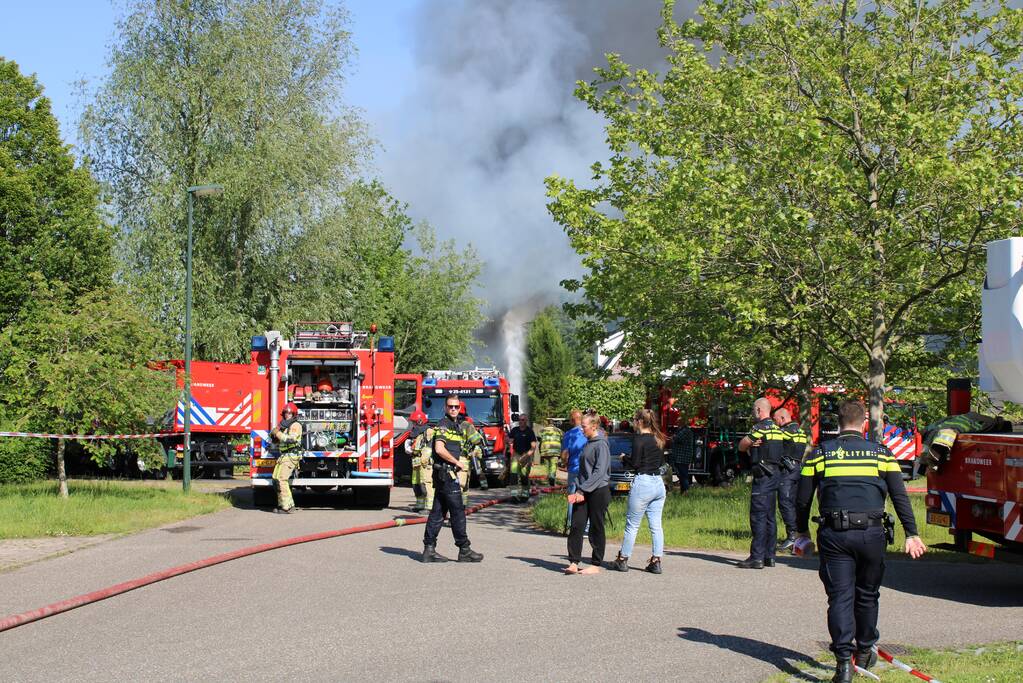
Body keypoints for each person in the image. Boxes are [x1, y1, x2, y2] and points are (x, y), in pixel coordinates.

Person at [795, 400, 926, 683]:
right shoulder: (882, 454)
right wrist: (912, 534)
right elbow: (899, 496)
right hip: (871, 534)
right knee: (867, 594)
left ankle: (844, 663)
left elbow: (802, 499)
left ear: (837, 423)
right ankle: (864, 650)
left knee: (840, 597)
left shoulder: (820, 454)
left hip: (835, 535)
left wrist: (801, 533)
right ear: (864, 421)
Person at [421, 396, 484, 563]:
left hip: (444, 474)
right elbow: (439, 449)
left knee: (438, 512)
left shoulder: (456, 425)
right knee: (457, 513)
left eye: (456, 406)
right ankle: (464, 549)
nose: (454, 409)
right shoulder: (443, 424)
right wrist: (457, 462)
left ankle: (429, 549)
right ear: (445, 408)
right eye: (450, 406)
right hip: (447, 474)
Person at [611, 409, 667, 574]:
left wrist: (624, 458)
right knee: (656, 525)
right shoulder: (658, 439)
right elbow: (660, 462)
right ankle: (656, 561)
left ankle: (623, 559)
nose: (633, 423)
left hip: (643, 483)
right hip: (658, 483)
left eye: (634, 420)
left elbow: (635, 464)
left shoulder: (638, 440)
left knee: (632, 525)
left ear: (639, 422)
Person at [736, 397, 787, 568]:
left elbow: (742, 445)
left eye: (753, 410)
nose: (753, 413)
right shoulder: (778, 430)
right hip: (775, 477)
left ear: (759, 410)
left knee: (758, 516)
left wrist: (750, 446)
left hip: (762, 477)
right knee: (770, 517)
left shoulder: (760, 428)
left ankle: (756, 557)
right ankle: (769, 556)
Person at [565, 413, 611, 575]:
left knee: (596, 527)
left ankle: (595, 564)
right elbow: (583, 470)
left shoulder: (601, 445)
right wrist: (577, 488)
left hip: (598, 491)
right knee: (577, 525)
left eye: (583, 426)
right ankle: (573, 562)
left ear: (594, 426)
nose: (581, 429)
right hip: (582, 490)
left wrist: (583, 489)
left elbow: (599, 473)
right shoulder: (587, 443)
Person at [774, 407, 809, 552]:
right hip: (797, 470)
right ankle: (799, 538)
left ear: (782, 418)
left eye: (775, 420)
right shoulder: (800, 431)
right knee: (794, 503)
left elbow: (769, 441)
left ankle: (792, 536)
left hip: (787, 472)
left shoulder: (785, 431)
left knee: (785, 502)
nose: (775, 423)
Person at [271, 402, 303, 514]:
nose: (287, 414)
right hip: (284, 455)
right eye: (285, 412)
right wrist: (274, 436)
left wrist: (278, 434)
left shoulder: (295, 425)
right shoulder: (284, 425)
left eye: (290, 413)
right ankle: (282, 504)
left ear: (294, 414)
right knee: (275, 479)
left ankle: (287, 507)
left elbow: (291, 439)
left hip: (291, 455)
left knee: (282, 480)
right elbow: (279, 439)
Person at [561, 409, 587, 533]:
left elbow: (565, 454)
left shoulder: (569, 434)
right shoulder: (589, 432)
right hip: (587, 470)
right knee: (586, 497)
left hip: (574, 469)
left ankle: (572, 526)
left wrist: (564, 462)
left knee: (572, 497)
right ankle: (586, 527)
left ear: (572, 420)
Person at [407, 411, 434, 512]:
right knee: (416, 484)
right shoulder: (416, 432)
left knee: (426, 483)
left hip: (425, 463)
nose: (412, 425)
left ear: (419, 421)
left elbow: (430, 446)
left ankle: (429, 507)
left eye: (414, 422)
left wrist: (425, 457)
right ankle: (420, 505)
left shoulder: (429, 431)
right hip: (416, 462)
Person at [508, 413, 538, 501]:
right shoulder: (514, 430)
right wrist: (508, 441)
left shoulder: (529, 432)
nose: (520, 422)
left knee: (524, 476)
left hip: (526, 454)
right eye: (519, 420)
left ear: (526, 421)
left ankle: (525, 495)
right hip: (516, 454)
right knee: (513, 474)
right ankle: (514, 496)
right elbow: (510, 440)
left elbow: (533, 446)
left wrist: (526, 456)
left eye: (523, 420)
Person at [668, 417, 696, 494]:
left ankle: (686, 492)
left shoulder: (685, 431)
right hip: (680, 457)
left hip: (682, 457)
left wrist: (672, 438)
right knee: (681, 475)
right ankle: (683, 492)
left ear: (682, 422)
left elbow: (677, 438)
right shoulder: (682, 430)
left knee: (683, 475)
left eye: (678, 421)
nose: (677, 422)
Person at [538, 419, 563, 487]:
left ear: (547, 423)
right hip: (555, 451)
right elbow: (562, 440)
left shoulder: (542, 430)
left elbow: (539, 439)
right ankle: (552, 478)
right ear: (553, 424)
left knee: (547, 466)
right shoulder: (559, 431)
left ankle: (548, 480)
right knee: (553, 466)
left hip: (545, 451)